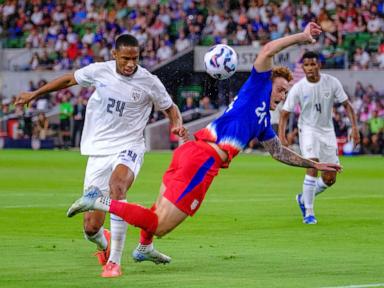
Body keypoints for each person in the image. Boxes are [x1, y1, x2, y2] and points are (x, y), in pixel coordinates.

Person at [67, 23, 341, 265]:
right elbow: (268, 49)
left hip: (191, 150)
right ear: (269, 82)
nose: (282, 96)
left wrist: (312, 163)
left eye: (285, 92)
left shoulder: (262, 121)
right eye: (281, 89)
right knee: (160, 224)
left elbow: (278, 151)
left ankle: (144, 247)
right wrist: (302, 37)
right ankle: (100, 201)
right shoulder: (257, 86)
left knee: (157, 210)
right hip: (203, 161)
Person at [14, 34, 186, 278]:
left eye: (135, 59)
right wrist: (35, 94)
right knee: (91, 228)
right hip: (99, 150)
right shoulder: (99, 71)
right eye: (125, 58)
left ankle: (114, 262)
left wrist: (176, 124)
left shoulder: (149, 81)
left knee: (118, 187)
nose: (130, 64)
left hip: (130, 146)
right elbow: (67, 80)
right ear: (114, 55)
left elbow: (171, 107)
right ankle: (103, 241)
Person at [278, 51, 360, 225]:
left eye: (312, 64)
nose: (309, 68)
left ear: (319, 65)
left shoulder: (331, 82)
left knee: (330, 178)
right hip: (307, 130)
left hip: (327, 131)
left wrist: (355, 127)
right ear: (303, 67)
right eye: (306, 65)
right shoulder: (299, 87)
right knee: (313, 164)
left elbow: (348, 105)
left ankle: (303, 198)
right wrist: (282, 136)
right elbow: (284, 113)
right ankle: (309, 212)